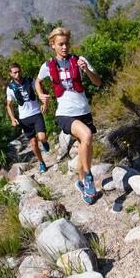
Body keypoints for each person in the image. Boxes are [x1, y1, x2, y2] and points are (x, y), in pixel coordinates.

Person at [35, 27, 102, 204]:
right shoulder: (48, 66)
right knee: (86, 135)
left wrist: (86, 70)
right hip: (65, 114)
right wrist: (41, 95)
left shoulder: (79, 60)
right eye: (60, 44)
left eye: (66, 43)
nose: (65, 47)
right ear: (53, 45)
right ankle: (88, 177)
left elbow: (98, 82)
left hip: (83, 110)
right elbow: (38, 81)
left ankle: (82, 185)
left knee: (85, 147)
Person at [6, 63, 50, 173]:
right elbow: (9, 105)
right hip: (24, 118)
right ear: (11, 74)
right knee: (33, 143)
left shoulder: (31, 81)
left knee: (42, 137)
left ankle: (44, 142)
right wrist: (12, 118)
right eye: (15, 72)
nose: (18, 74)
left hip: (36, 114)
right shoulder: (10, 88)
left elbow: (43, 92)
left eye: (19, 71)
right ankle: (41, 162)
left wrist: (45, 104)